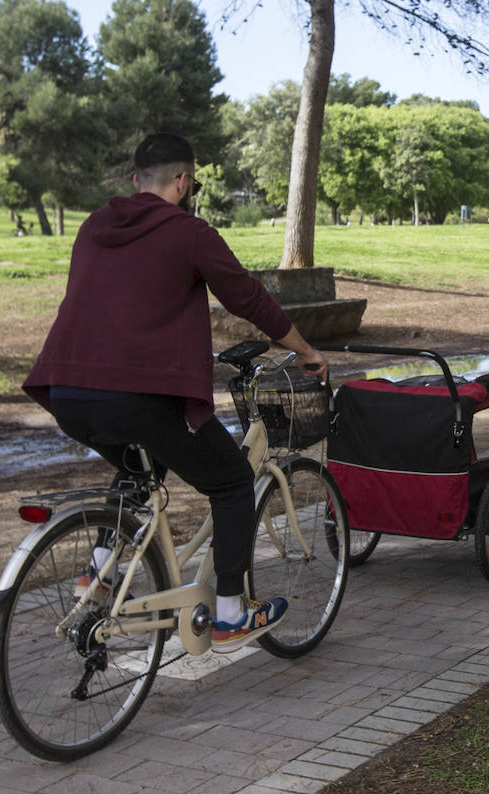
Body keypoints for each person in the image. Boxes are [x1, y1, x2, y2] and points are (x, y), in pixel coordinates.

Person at [23, 132, 329, 653]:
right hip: (139, 396)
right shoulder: (189, 233)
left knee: (140, 469)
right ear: (184, 181)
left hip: (69, 393)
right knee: (232, 482)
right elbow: (247, 299)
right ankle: (231, 612)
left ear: (135, 181)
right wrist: (303, 348)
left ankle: (95, 575)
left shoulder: (94, 227)